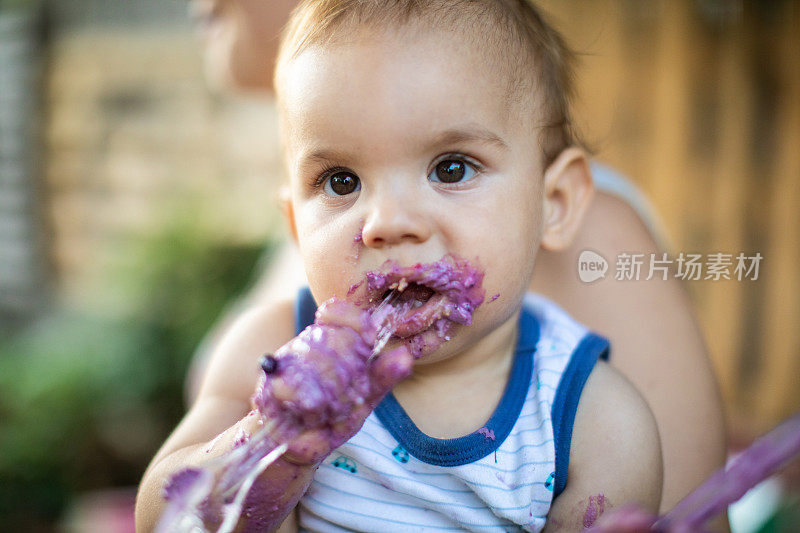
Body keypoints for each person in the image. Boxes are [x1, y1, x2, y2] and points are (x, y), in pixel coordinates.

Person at [186, 0, 727, 521]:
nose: (388, 221)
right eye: (341, 182)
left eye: (451, 169)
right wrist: (266, 441)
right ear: (295, 226)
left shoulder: (596, 421)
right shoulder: (271, 350)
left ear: (554, 205)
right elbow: (167, 509)